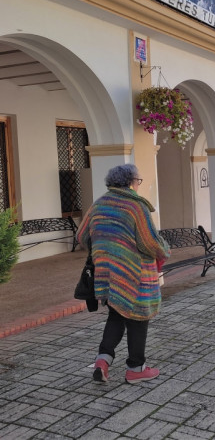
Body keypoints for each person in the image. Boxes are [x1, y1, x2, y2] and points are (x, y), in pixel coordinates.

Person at [76, 164, 170, 384]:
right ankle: (136, 368)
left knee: (117, 315)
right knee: (138, 318)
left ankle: (102, 361)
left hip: (107, 273)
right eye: (138, 181)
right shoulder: (135, 207)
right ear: (130, 182)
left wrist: (104, 247)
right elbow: (150, 242)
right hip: (134, 273)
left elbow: (82, 235)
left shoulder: (99, 204)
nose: (138, 185)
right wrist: (164, 250)